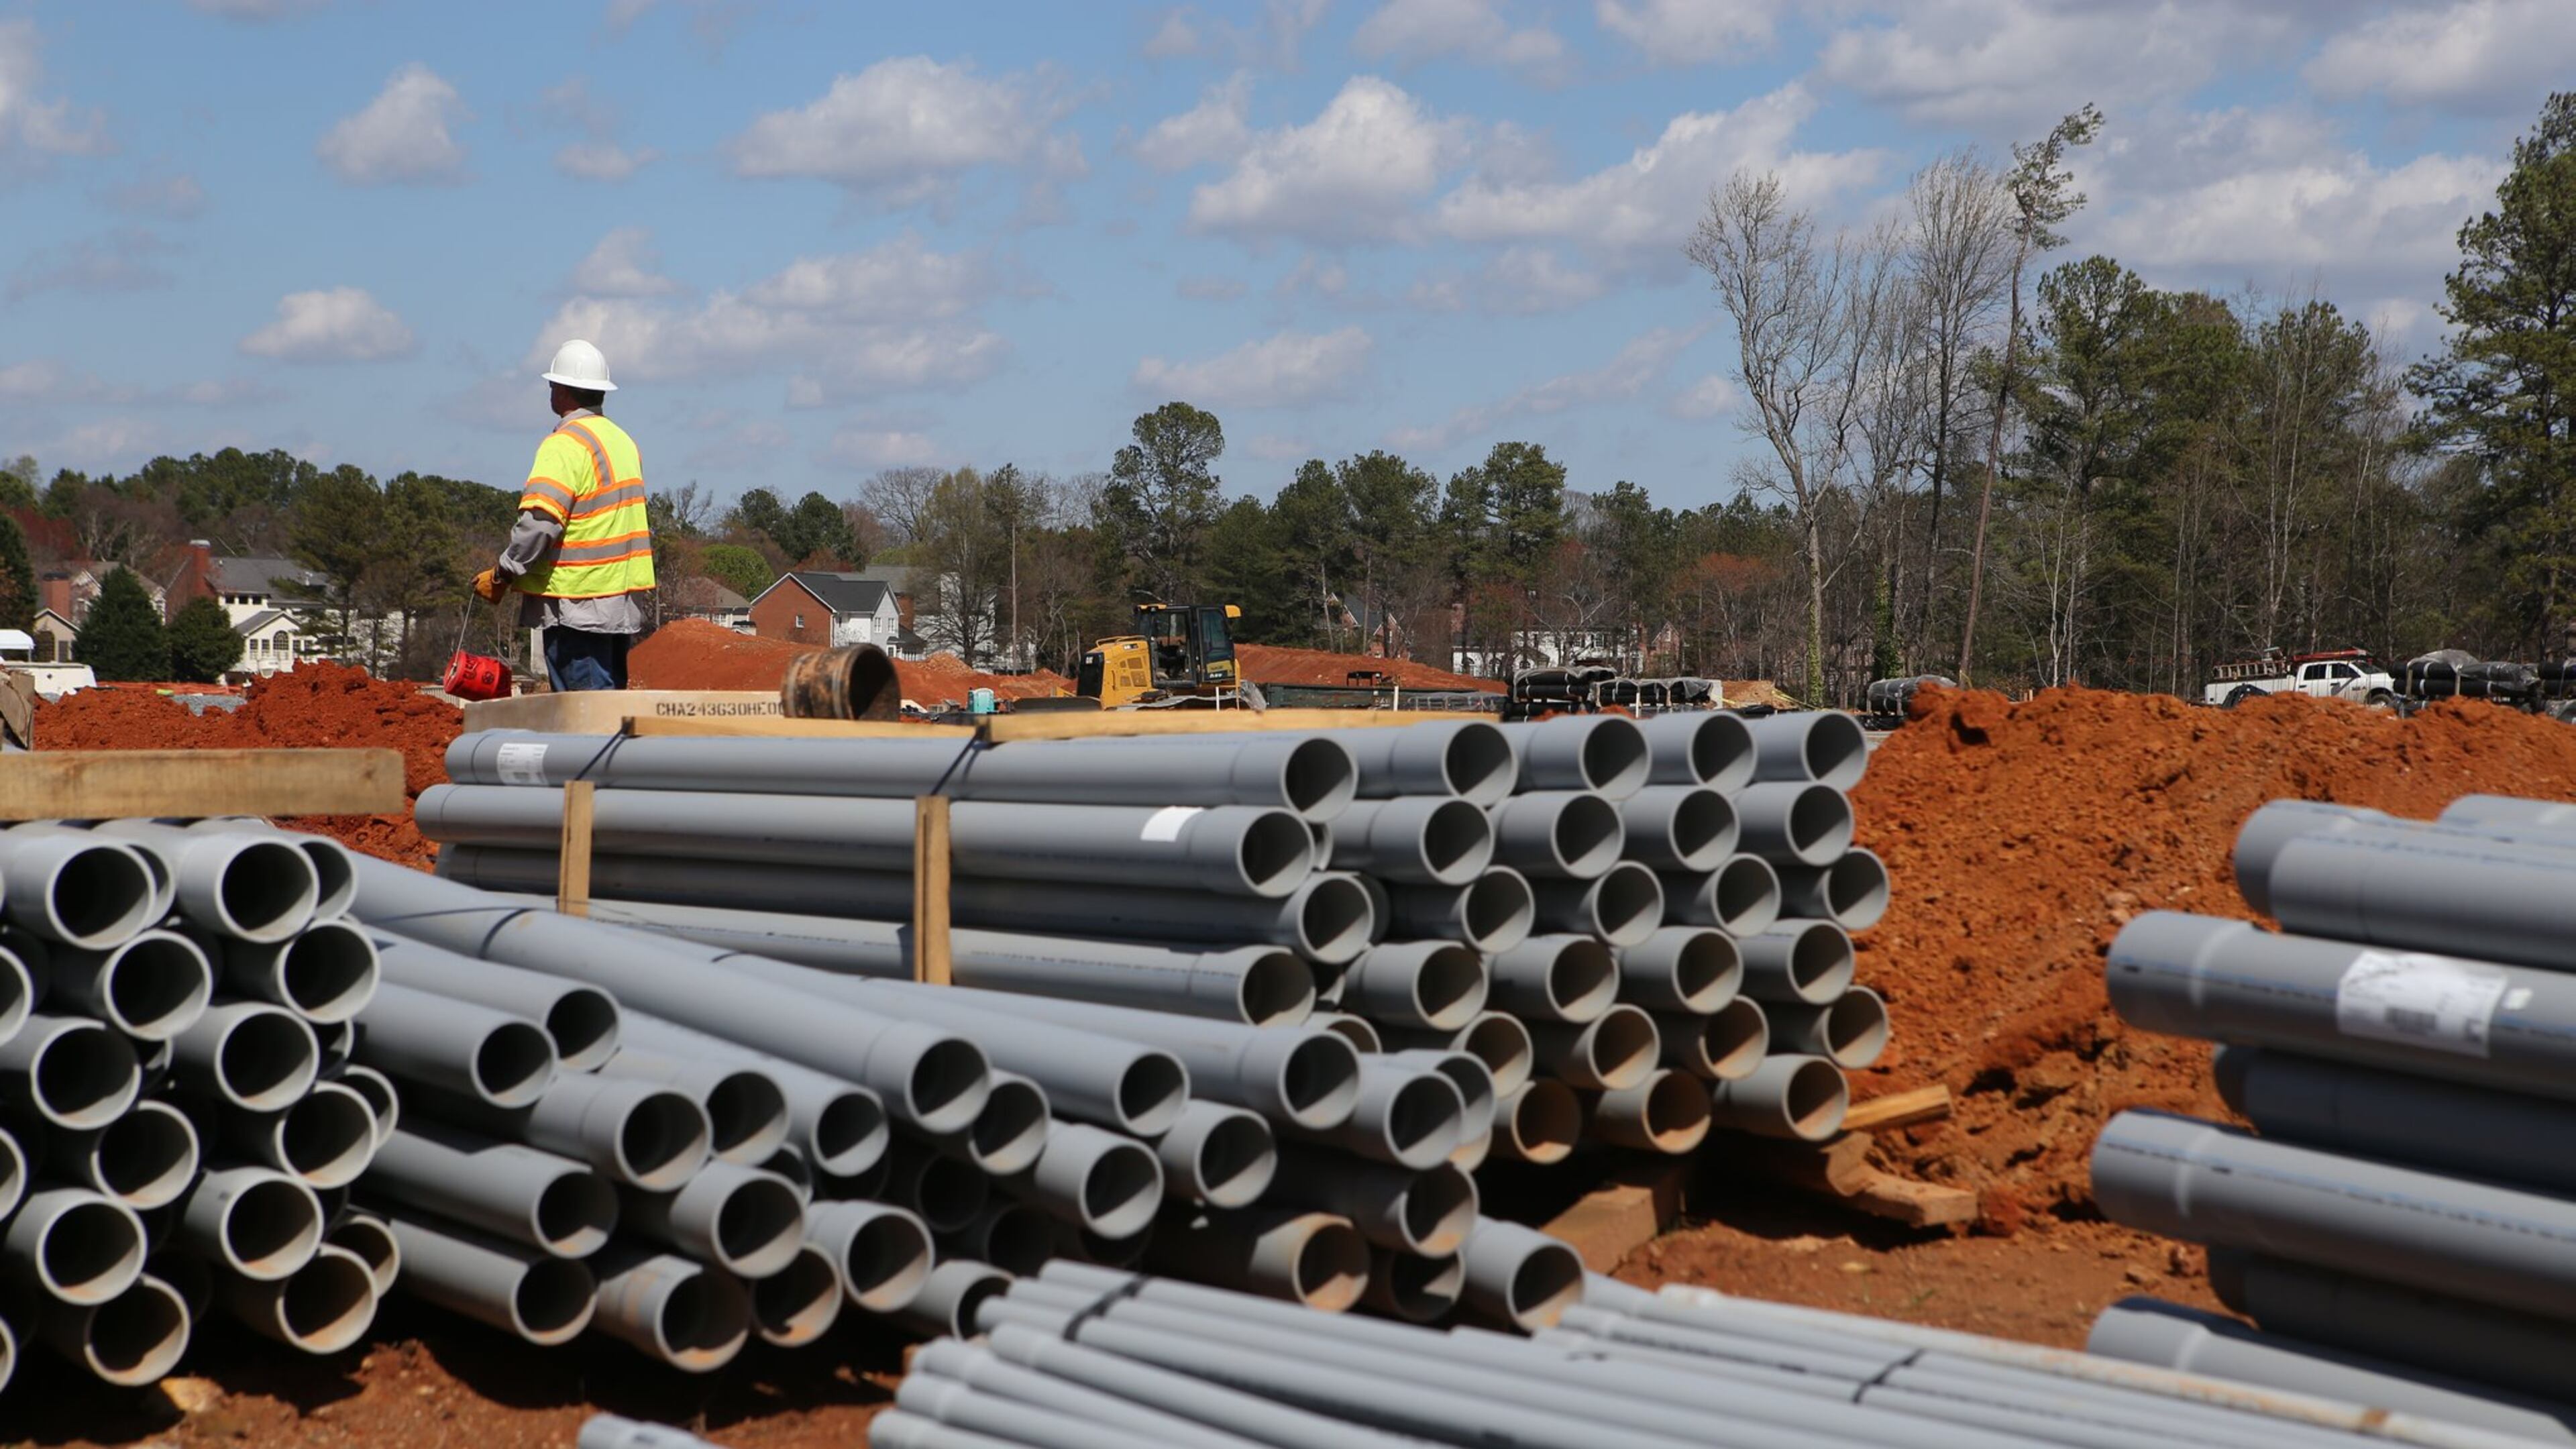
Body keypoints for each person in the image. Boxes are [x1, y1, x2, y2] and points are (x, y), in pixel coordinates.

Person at [473, 339, 655, 691]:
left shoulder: (565, 444)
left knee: (583, 719)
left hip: (579, 605)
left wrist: (503, 573)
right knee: (608, 714)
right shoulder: (622, 442)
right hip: (619, 603)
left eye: (553, 385)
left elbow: (540, 524)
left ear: (563, 391)